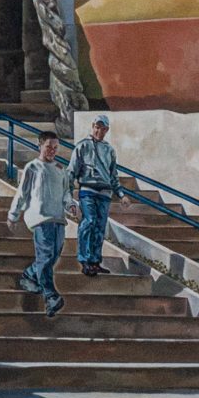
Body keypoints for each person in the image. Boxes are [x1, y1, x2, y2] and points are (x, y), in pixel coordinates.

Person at [6, 129, 67, 317]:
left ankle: (29, 275)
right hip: (40, 219)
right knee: (46, 255)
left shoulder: (60, 169)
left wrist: (71, 205)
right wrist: (13, 214)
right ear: (40, 146)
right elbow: (22, 194)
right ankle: (50, 296)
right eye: (49, 147)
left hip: (58, 219)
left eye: (55, 148)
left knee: (52, 256)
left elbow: (66, 193)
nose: (52, 151)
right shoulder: (32, 167)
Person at [68, 114, 122, 277]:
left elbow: (113, 175)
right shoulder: (82, 146)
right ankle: (84, 259)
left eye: (102, 128)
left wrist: (120, 193)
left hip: (105, 192)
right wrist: (68, 195)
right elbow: (71, 171)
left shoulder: (109, 150)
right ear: (93, 127)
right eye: (96, 127)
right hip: (88, 190)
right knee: (89, 221)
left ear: (106, 130)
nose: (99, 130)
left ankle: (95, 261)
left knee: (100, 227)